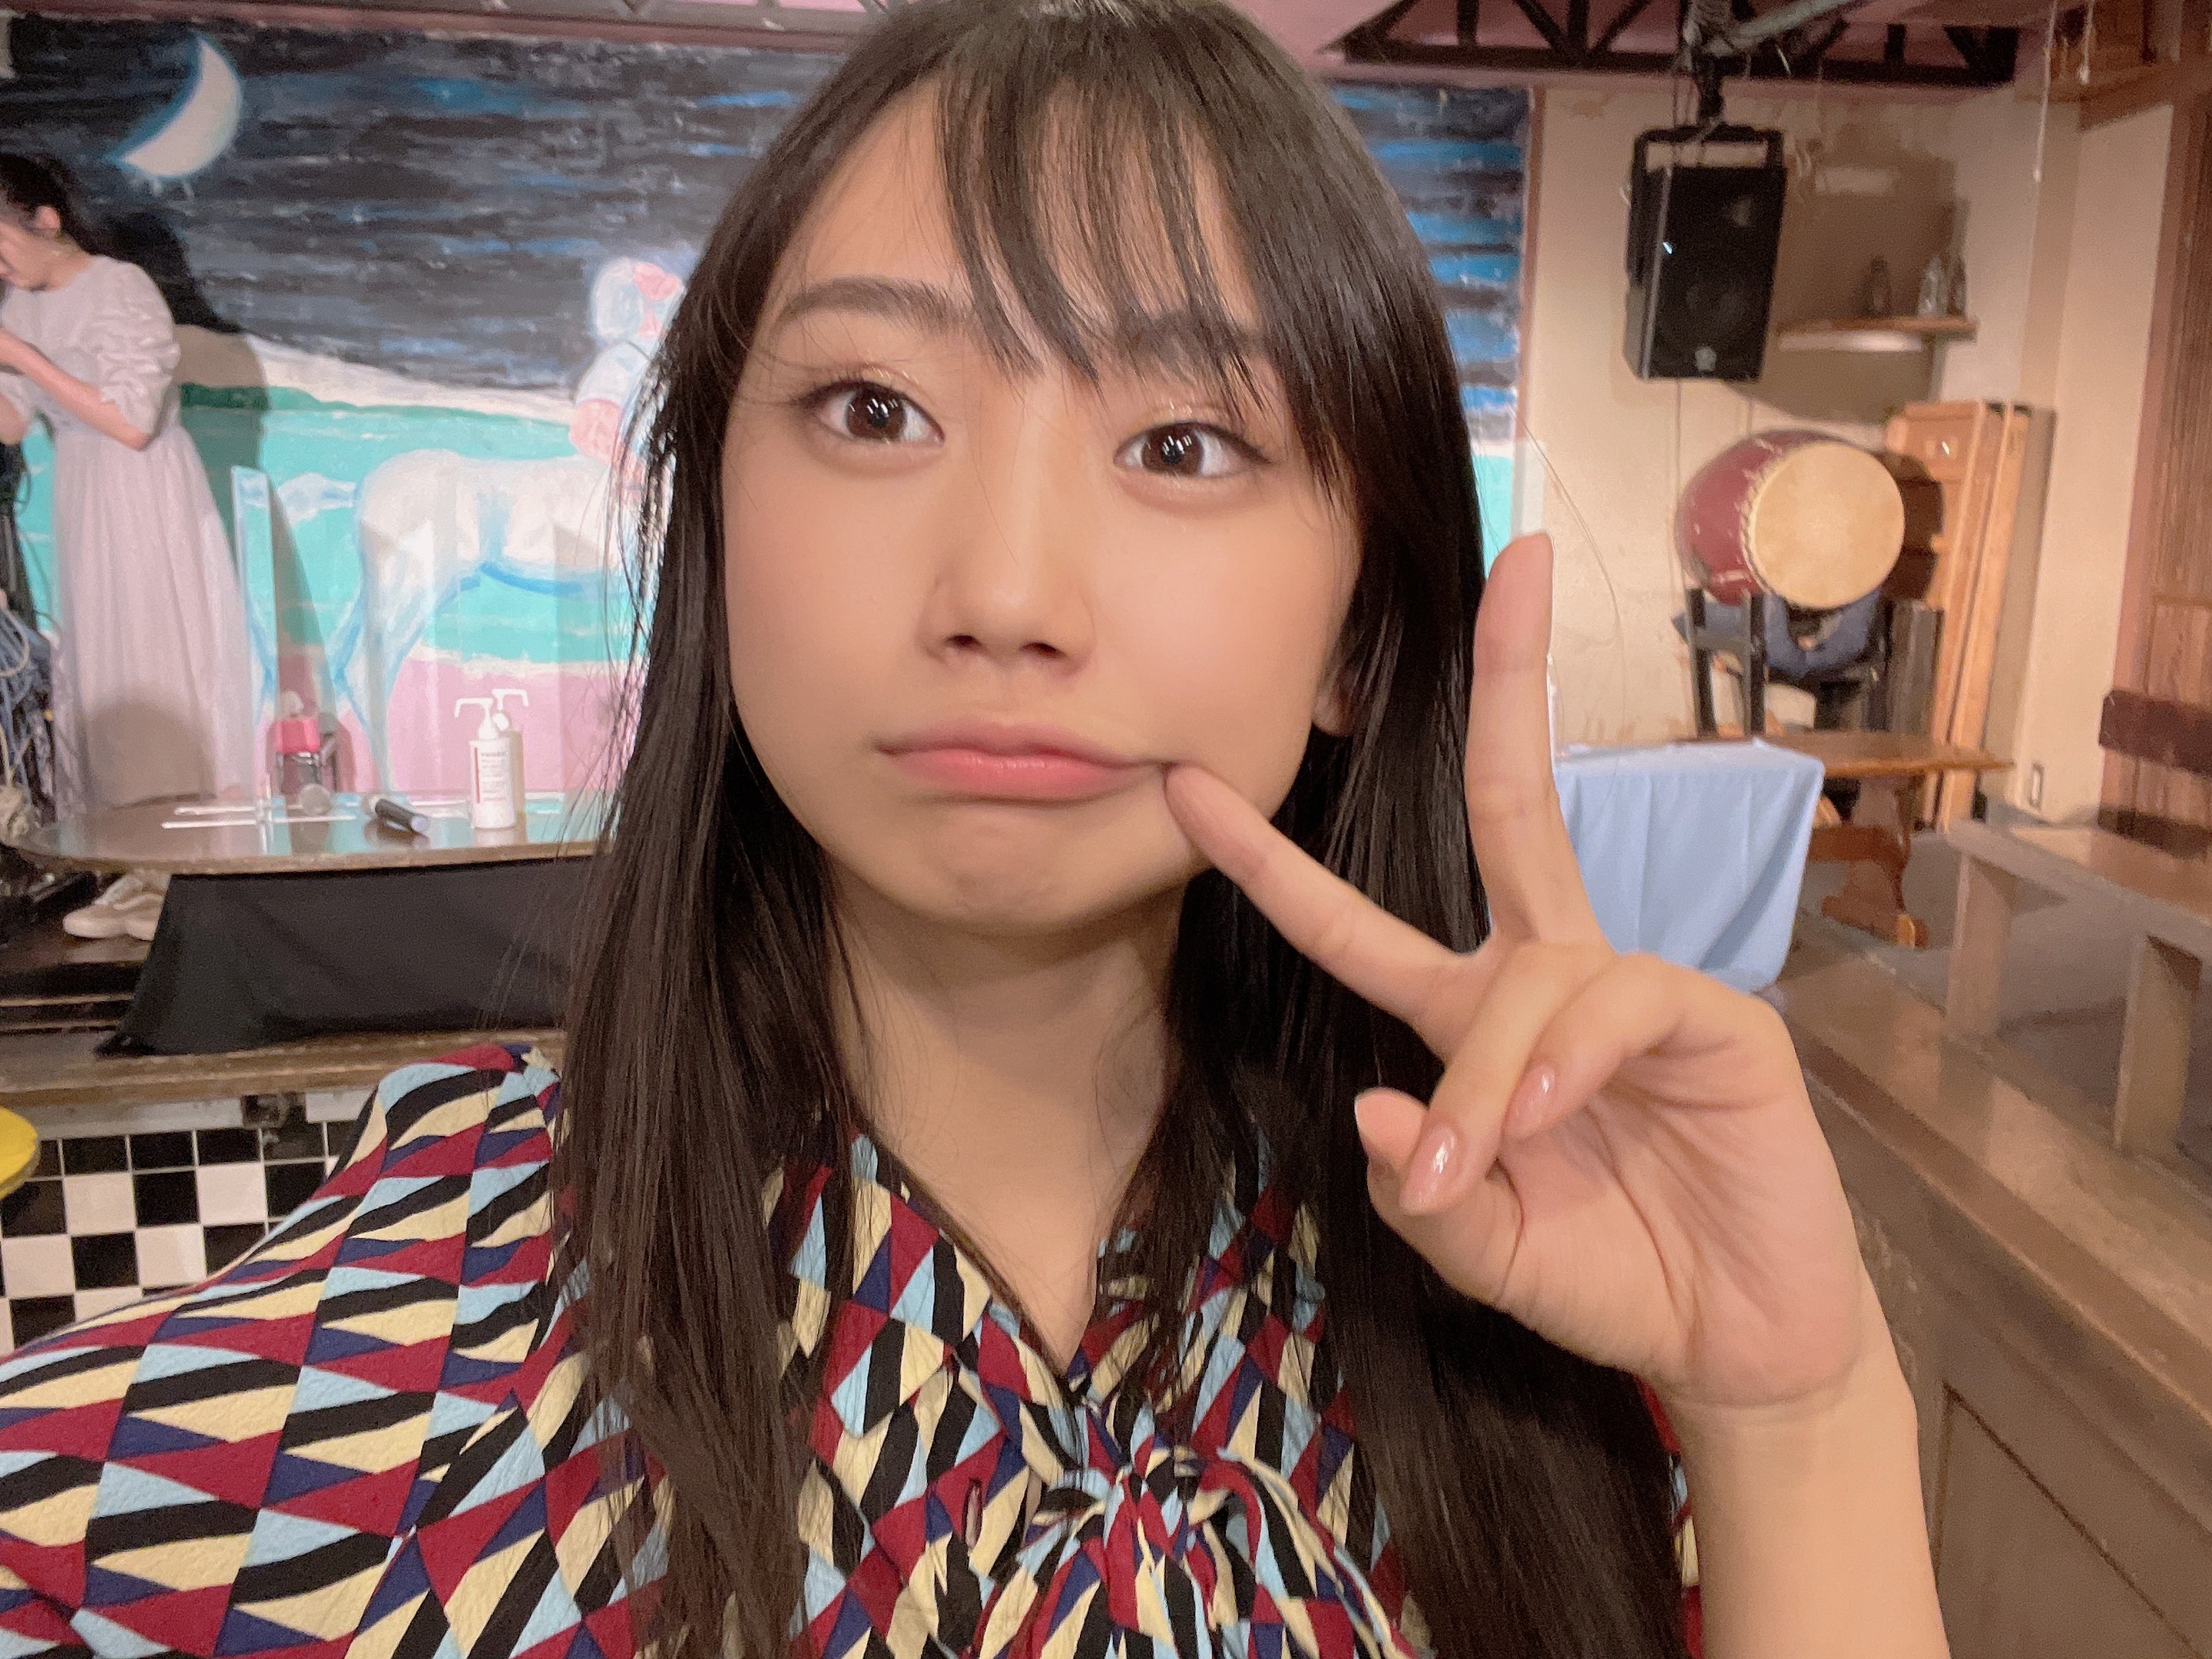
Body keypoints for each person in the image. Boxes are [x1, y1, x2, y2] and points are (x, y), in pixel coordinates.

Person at [0, 4, 1948, 1655]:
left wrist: (1800, 1412)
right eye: (873, 409)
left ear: (1364, 632)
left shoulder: (1541, 1311)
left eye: (1181, 443)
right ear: (717, 528)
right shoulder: (396, 1365)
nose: (1005, 592)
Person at [0, 154, 256, 940]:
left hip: (144, 495)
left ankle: (182, 872)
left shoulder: (119, 287)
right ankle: (133, 866)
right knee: (106, 678)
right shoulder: (21, 305)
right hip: (85, 502)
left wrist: (23, 356)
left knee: (159, 666)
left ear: (45, 220)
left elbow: (132, 420)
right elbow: (13, 420)